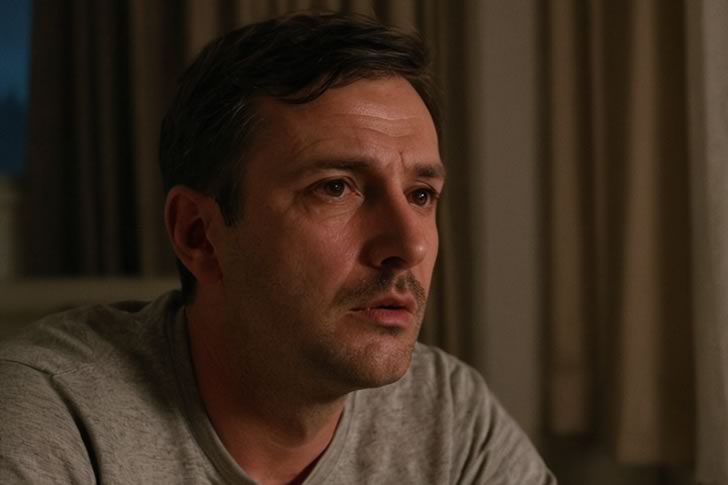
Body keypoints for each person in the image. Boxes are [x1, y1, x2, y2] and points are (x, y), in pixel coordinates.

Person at [0, 12, 556, 485]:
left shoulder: (449, 416)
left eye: (420, 194)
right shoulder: (54, 414)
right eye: (334, 188)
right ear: (199, 235)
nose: (409, 244)